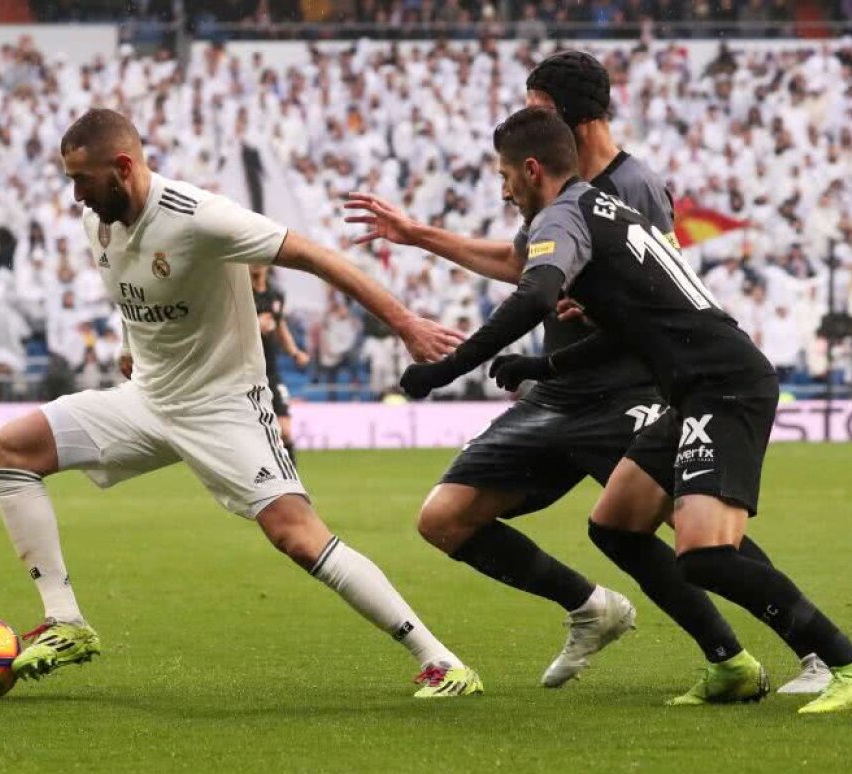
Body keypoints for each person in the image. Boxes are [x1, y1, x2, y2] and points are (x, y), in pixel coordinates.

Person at [346, 51, 826, 698]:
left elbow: (663, 292)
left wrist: (587, 313)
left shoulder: (633, 186)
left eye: (539, 108)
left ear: (573, 114)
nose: (529, 119)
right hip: (556, 390)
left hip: (628, 389)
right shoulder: (555, 190)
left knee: (697, 528)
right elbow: (522, 264)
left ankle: (811, 652)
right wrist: (418, 235)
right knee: (446, 519)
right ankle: (596, 609)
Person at [0, 108, 482, 698]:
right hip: (148, 400)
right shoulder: (101, 221)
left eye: (82, 180)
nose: (76, 195)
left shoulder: (199, 216)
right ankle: (66, 622)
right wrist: (128, 347)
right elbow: (133, 290)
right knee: (10, 451)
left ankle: (442, 661)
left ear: (122, 167)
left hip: (224, 406)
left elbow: (314, 256)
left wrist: (405, 324)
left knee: (297, 536)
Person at [250, 263, 309, 464]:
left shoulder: (276, 294)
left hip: (270, 371)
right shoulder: (240, 294)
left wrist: (295, 352)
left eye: (259, 259)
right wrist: (255, 325)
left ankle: (291, 477)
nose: (254, 263)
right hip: (245, 372)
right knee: (253, 434)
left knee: (285, 431)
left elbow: (281, 325)